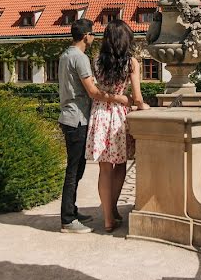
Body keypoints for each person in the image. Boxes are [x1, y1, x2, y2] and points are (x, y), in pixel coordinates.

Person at [58, 19, 130, 234]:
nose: (94, 38)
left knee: (78, 169)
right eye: (92, 34)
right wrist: (119, 98)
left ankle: (72, 210)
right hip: (77, 118)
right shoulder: (80, 58)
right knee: (73, 171)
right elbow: (93, 92)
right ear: (86, 36)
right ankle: (68, 219)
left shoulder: (65, 55)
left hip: (68, 115)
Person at [85, 20, 150, 232]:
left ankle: (107, 218)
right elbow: (137, 97)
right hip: (119, 117)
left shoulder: (96, 61)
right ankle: (112, 209)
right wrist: (141, 105)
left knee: (104, 169)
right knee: (120, 164)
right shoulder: (131, 63)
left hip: (100, 115)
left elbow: (95, 90)